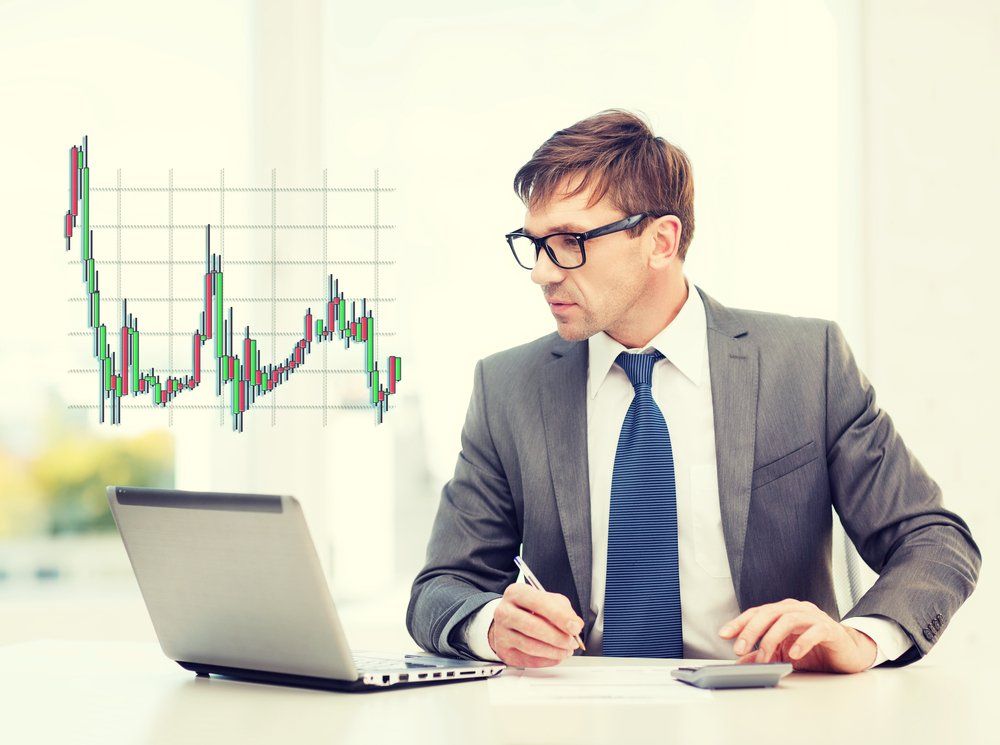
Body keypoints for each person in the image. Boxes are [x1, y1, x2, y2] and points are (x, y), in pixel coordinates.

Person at [406, 109, 981, 672]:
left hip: (769, 709)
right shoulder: (509, 386)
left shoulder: (807, 363)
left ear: (660, 241)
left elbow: (933, 540)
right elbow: (442, 587)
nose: (543, 272)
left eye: (570, 241)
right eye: (535, 244)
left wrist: (860, 638)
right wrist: (487, 624)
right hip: (578, 713)